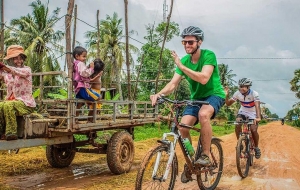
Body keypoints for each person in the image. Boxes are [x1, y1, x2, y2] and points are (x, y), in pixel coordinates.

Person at [150, 26, 225, 183]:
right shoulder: (184, 61)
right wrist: (159, 94)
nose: (186, 45)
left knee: (203, 115)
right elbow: (172, 85)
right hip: (196, 97)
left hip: (214, 95)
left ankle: (205, 154)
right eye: (184, 42)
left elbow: (204, 78)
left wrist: (181, 66)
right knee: (183, 127)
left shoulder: (208, 56)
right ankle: (191, 162)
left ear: (199, 42)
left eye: (190, 42)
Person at [0, 45, 36, 140]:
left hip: (26, 103)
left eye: (20, 58)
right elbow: (3, 72)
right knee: (1, 105)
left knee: (8, 105)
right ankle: (1, 132)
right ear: (10, 60)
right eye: (15, 59)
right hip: (11, 101)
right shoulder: (5, 73)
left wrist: (3, 66)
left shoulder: (26, 70)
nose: (19, 61)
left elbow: (14, 71)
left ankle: (11, 133)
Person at [224, 78, 262, 159]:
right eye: (240, 86)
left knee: (253, 129)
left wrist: (258, 117)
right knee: (238, 123)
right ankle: (239, 143)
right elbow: (228, 104)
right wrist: (226, 95)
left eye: (243, 87)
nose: (241, 88)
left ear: (248, 87)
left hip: (253, 113)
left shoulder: (254, 93)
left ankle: (256, 147)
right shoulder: (237, 93)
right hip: (243, 112)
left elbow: (257, 106)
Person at [72, 46, 101, 121]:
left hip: (78, 88)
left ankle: (75, 120)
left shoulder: (75, 64)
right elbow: (84, 73)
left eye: (85, 57)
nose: (85, 58)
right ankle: (90, 120)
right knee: (98, 98)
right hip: (83, 87)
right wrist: (91, 68)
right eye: (83, 56)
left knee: (79, 104)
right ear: (77, 56)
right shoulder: (80, 64)